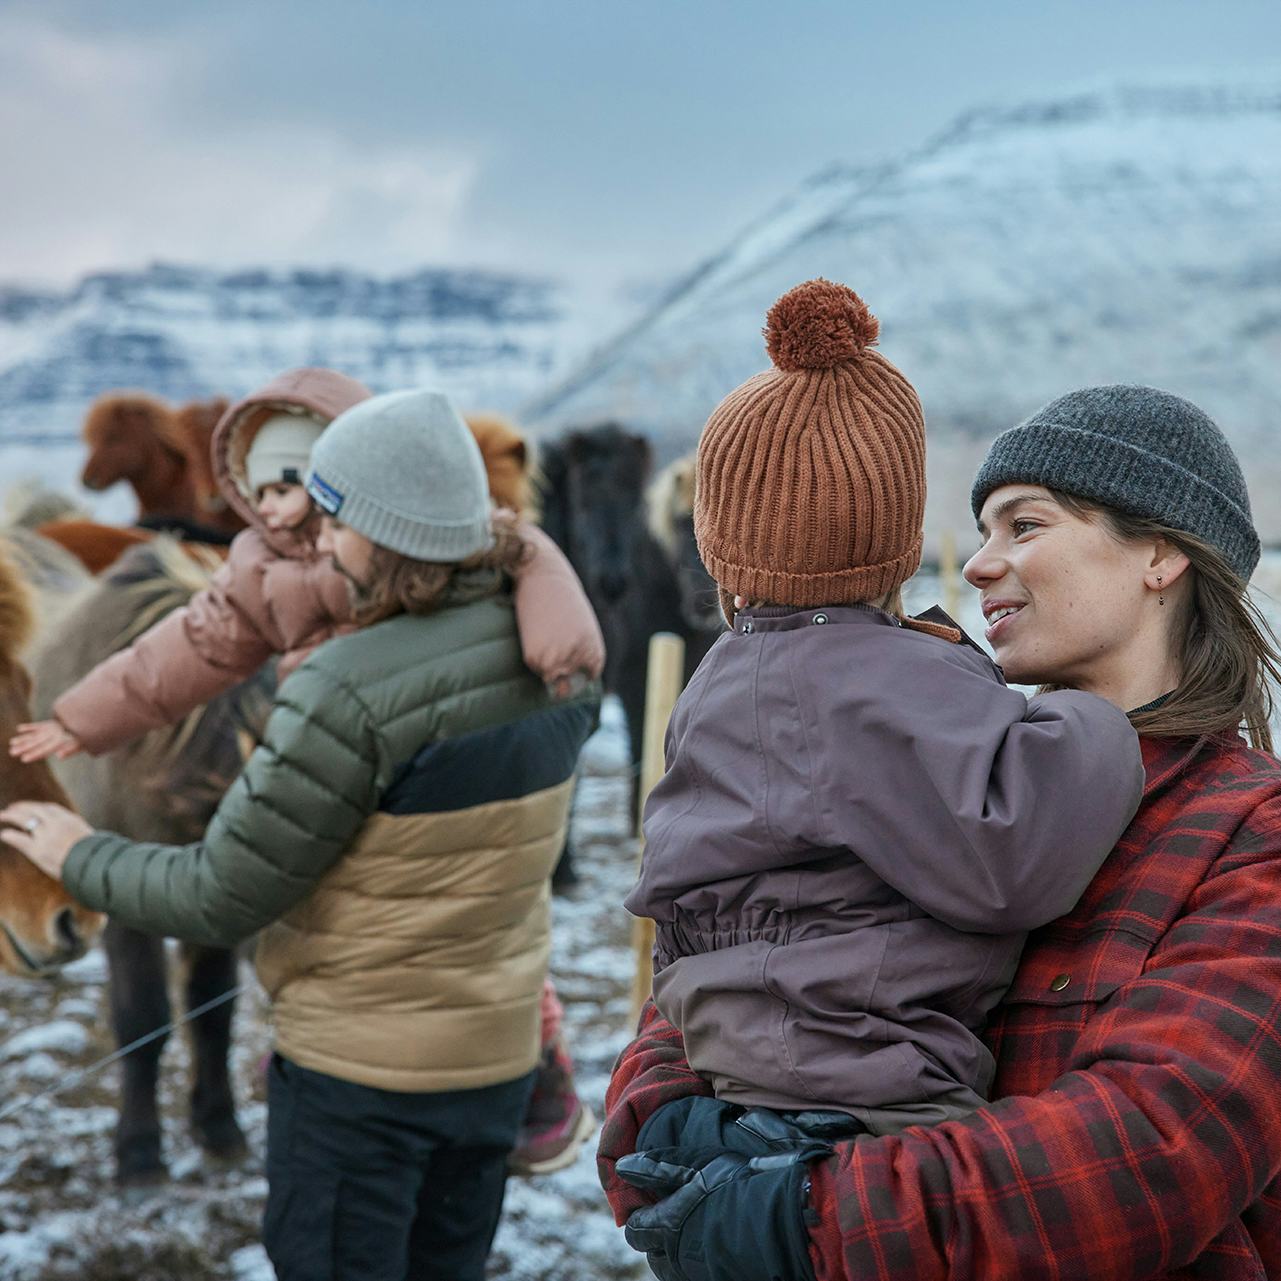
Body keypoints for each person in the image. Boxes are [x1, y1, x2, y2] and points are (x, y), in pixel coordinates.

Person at [598, 382, 1281, 1281]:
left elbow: (1148, 1149)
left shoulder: (1247, 832)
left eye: (1022, 526)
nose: (976, 566)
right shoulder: (930, 759)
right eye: (983, 531)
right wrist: (664, 1120)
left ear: (1158, 552)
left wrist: (806, 1217)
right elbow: (723, 957)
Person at [1, 387, 602, 1281]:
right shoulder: (549, 656)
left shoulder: (342, 689)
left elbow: (221, 893)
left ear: (390, 527)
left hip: (357, 1090)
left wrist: (73, 854)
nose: (316, 536)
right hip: (491, 1072)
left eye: (337, 515)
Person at [625, 277, 1143, 1139]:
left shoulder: (718, 679)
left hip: (725, 1061)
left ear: (721, 542)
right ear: (893, 532)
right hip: (869, 1079)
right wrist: (1090, 715)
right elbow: (1007, 856)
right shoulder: (886, 680)